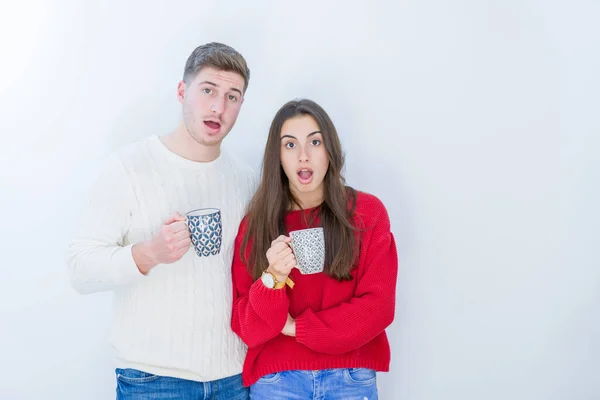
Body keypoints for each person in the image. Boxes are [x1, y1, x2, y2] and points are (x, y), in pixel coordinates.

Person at [67, 42, 255, 399]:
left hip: (234, 377)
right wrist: (149, 253)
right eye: (208, 90)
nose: (219, 107)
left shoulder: (246, 181)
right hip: (153, 381)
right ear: (182, 91)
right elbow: (79, 267)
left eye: (233, 97)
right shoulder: (129, 167)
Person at [231, 98, 398, 399]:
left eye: (315, 142)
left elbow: (378, 307)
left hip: (350, 378)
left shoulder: (367, 214)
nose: (303, 156)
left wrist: (299, 328)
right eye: (290, 145)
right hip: (276, 381)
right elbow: (248, 329)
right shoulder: (255, 227)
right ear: (278, 157)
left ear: (329, 151)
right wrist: (273, 278)